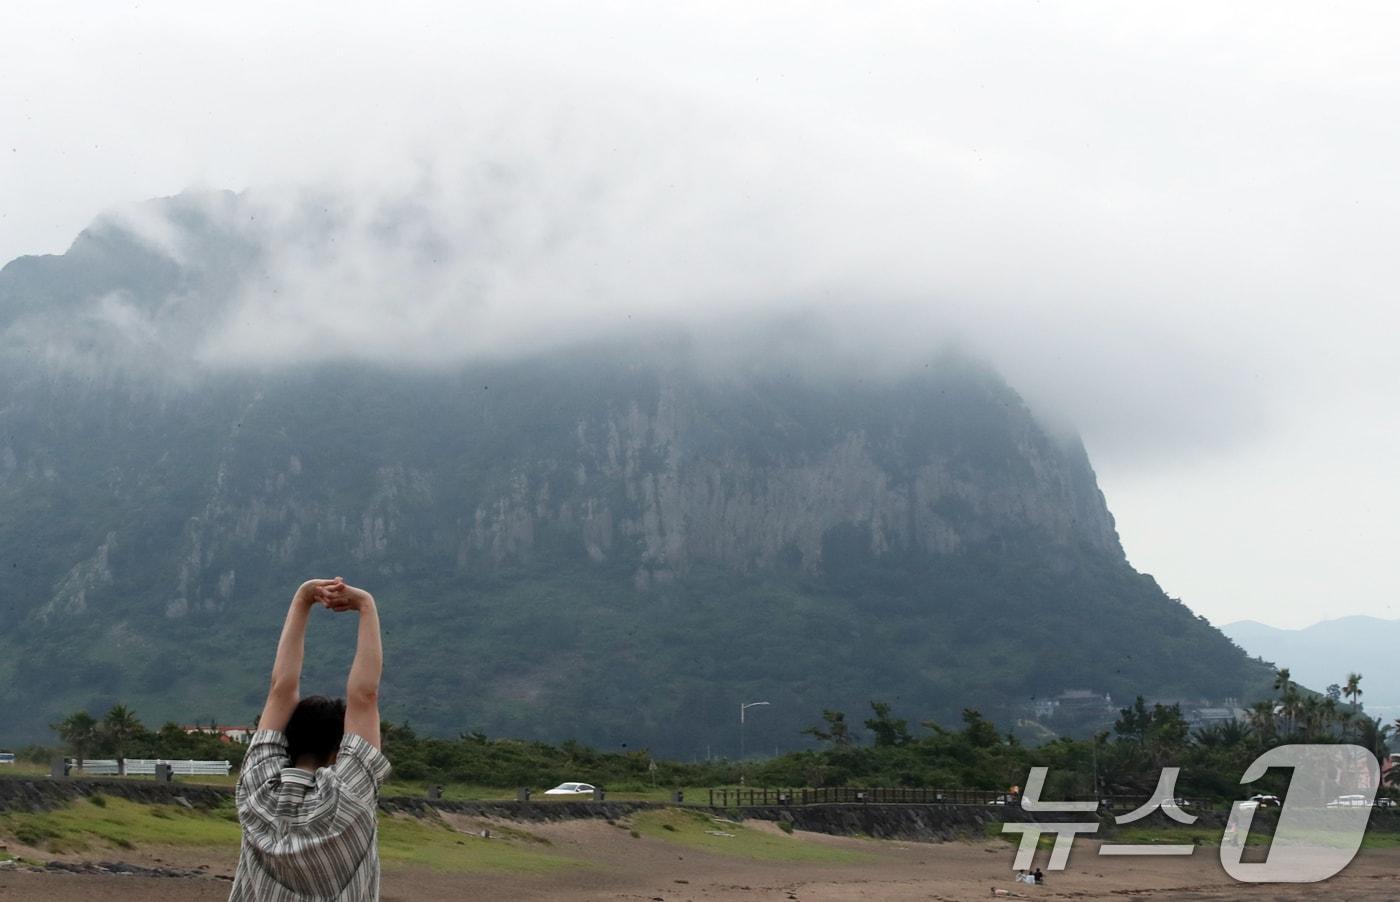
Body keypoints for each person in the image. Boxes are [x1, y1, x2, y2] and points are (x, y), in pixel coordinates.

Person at [229, 577, 391, 901]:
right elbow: (365, 696)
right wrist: (366, 606)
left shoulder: (256, 787)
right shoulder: (349, 794)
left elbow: (280, 690)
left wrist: (303, 598)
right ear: (338, 749)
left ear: (285, 739)